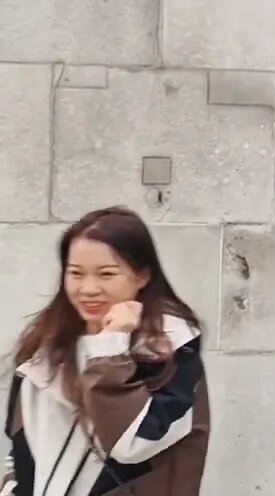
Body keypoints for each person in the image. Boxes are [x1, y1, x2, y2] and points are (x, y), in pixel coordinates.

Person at [1, 206, 210, 496]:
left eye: (106, 274)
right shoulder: (44, 350)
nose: (88, 288)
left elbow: (132, 443)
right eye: (76, 273)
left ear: (142, 276)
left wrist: (111, 347)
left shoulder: (171, 351)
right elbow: (20, 450)